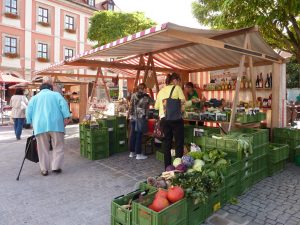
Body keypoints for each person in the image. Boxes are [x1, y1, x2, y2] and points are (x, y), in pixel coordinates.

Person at [26, 79, 71, 176]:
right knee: (58, 146)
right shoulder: (56, 95)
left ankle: (44, 169)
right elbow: (64, 106)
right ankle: (56, 167)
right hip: (56, 124)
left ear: (40, 89)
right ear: (51, 88)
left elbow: (28, 111)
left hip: (40, 125)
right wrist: (66, 117)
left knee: (42, 148)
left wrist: (30, 122)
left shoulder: (34, 98)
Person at [155, 72, 186, 168]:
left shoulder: (161, 91)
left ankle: (167, 167)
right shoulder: (177, 88)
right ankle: (178, 167)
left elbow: (156, 107)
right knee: (178, 143)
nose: (179, 83)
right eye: (179, 81)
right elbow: (183, 101)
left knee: (166, 143)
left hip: (164, 119)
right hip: (176, 119)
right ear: (175, 80)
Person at [128, 83, 154, 160]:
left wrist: (130, 115)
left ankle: (131, 153)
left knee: (132, 135)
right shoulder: (146, 97)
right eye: (145, 89)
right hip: (140, 118)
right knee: (139, 135)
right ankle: (138, 154)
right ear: (144, 89)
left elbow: (130, 106)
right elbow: (153, 102)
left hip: (132, 117)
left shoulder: (133, 95)